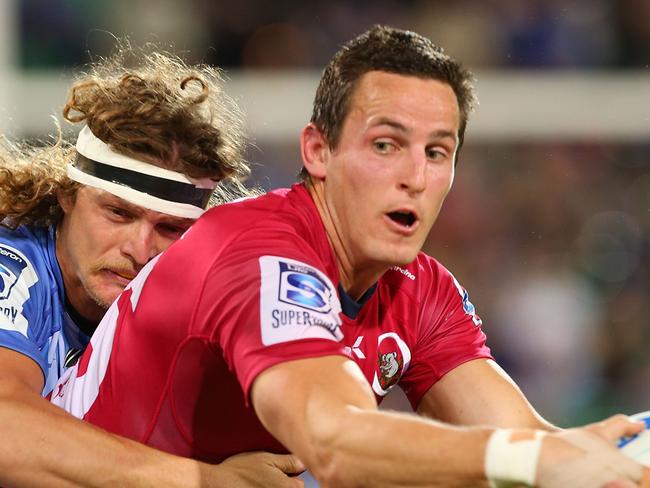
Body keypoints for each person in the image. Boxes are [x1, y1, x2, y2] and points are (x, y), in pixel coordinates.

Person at [52, 26, 650, 487]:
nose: (414, 176)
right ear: (318, 150)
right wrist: (541, 458)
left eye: (437, 152)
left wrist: (612, 459)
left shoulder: (421, 290)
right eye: (386, 145)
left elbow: (525, 442)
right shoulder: (258, 258)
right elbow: (333, 441)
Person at [0, 47, 305, 487]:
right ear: (67, 196)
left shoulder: (197, 290)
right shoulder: (13, 265)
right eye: (118, 214)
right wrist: (206, 481)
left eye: (170, 227)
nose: (139, 250)